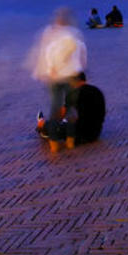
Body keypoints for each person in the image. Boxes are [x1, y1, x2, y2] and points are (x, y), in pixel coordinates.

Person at [30, 8, 88, 151]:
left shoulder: (52, 35)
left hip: (55, 78)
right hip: (71, 76)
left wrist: (49, 70)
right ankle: (69, 140)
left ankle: (54, 143)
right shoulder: (75, 36)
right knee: (70, 109)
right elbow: (83, 56)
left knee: (55, 109)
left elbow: (48, 53)